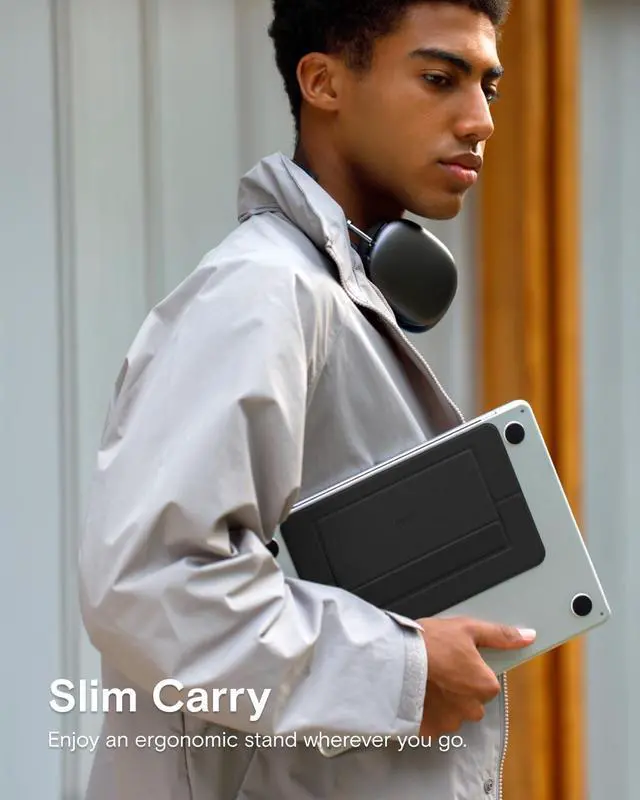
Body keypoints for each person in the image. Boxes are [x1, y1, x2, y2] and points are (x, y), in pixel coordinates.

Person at [78, 1, 536, 798]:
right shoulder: (261, 294)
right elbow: (150, 588)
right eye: (440, 79)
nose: (480, 121)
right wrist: (403, 672)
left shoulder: (329, 295)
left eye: (488, 88)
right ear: (323, 82)